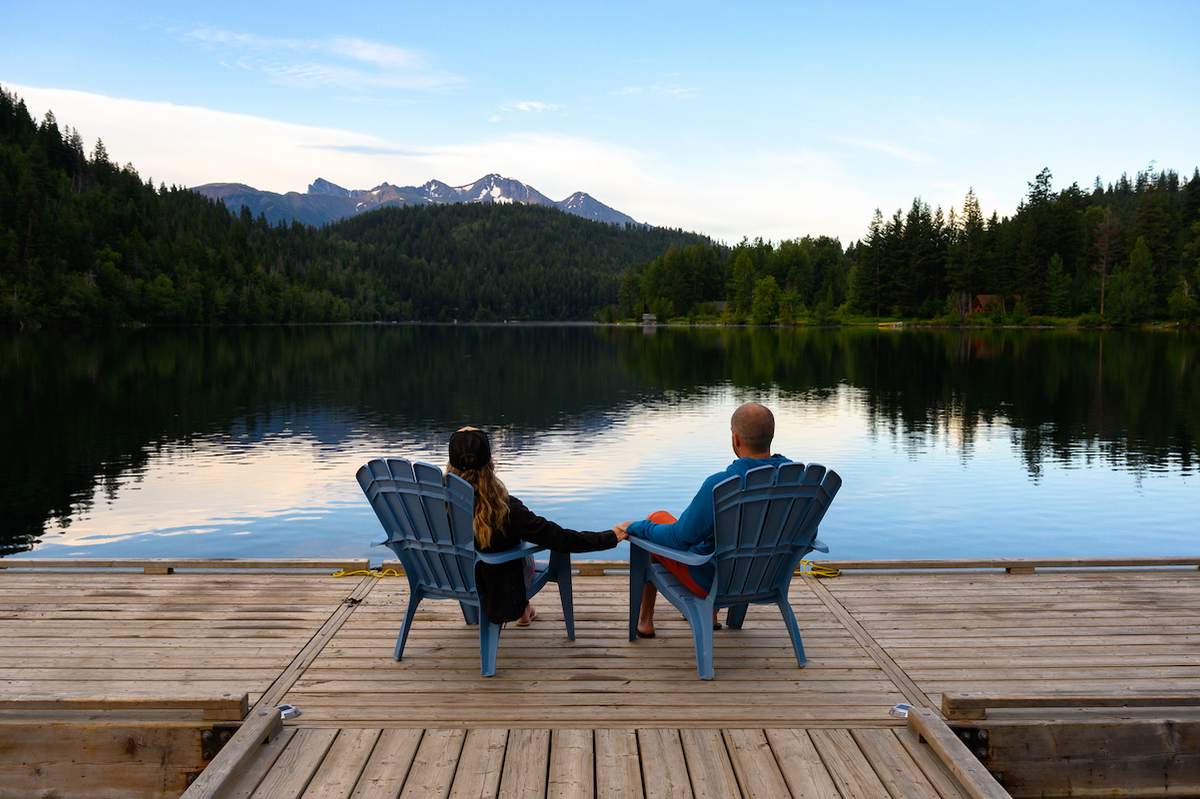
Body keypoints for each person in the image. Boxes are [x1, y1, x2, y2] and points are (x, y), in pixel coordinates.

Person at [617, 402, 789, 638]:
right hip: (769, 577)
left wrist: (636, 528)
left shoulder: (722, 485)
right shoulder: (796, 481)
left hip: (714, 582)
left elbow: (680, 538)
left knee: (655, 522)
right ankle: (712, 613)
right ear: (771, 436)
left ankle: (645, 621)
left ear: (736, 439)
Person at [448, 426, 626, 626]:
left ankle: (523, 609)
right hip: (503, 587)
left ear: (451, 462)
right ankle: (523, 607)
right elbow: (560, 538)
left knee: (504, 545)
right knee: (523, 543)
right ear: (490, 462)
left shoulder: (437, 503)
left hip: (454, 578)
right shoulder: (504, 509)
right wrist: (611, 536)